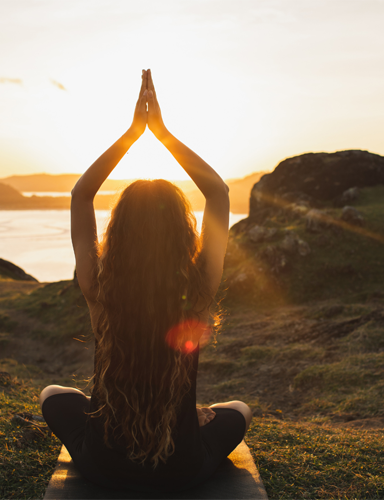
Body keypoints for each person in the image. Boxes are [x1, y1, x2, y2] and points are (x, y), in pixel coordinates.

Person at [40, 69, 252, 492]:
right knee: (239, 409)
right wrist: (163, 133)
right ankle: (190, 417)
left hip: (106, 468)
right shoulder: (198, 290)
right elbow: (218, 194)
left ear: (119, 232)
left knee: (52, 393)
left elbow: (81, 194)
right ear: (181, 232)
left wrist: (133, 133)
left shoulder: (100, 289)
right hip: (183, 468)